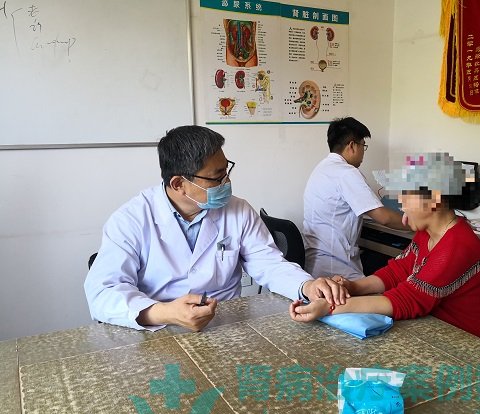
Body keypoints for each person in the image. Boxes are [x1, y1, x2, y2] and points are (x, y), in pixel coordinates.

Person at [85, 125, 347, 332]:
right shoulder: (131, 219)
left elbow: (269, 264)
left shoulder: (238, 210)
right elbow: (102, 292)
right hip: (159, 329)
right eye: (216, 177)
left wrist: (306, 285)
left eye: (226, 171)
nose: (227, 182)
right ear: (178, 184)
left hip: (227, 325)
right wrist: (163, 312)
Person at [290, 152, 480, 348]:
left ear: (433, 200)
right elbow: (398, 271)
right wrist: (352, 287)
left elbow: (406, 300)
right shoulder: (428, 232)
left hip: (477, 346)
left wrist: (329, 307)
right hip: (440, 333)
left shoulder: (457, 246)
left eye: (407, 195)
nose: (401, 203)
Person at [303, 117, 406, 281]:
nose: (363, 152)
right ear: (352, 146)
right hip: (336, 269)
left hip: (316, 263)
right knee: (394, 284)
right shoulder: (346, 173)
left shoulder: (322, 168)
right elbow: (384, 218)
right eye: (363, 146)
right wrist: (418, 222)